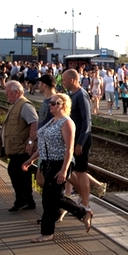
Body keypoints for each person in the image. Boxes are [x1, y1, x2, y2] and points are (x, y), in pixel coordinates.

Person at [21, 94, 93, 242]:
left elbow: (69, 149)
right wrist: (30, 160)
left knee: (49, 198)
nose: (51, 105)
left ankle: (47, 233)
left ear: (63, 105)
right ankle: (83, 212)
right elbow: (42, 146)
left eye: (54, 103)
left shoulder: (67, 123)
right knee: (54, 197)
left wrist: (64, 170)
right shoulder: (52, 122)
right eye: (50, 103)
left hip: (60, 163)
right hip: (48, 163)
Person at [0, 81, 39, 212]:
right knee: (21, 175)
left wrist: (31, 141)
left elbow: (34, 123)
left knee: (16, 172)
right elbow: (7, 126)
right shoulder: (15, 105)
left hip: (22, 148)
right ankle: (28, 201)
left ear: (17, 92)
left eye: (8, 93)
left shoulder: (25, 106)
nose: (6, 95)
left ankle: (22, 200)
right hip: (15, 147)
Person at [61, 69, 93, 212]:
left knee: (81, 171)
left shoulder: (81, 95)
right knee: (72, 169)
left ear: (73, 80)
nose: (62, 82)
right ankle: (80, 196)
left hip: (81, 139)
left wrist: (80, 142)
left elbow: (87, 121)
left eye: (64, 80)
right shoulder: (70, 95)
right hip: (73, 138)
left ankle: (85, 202)